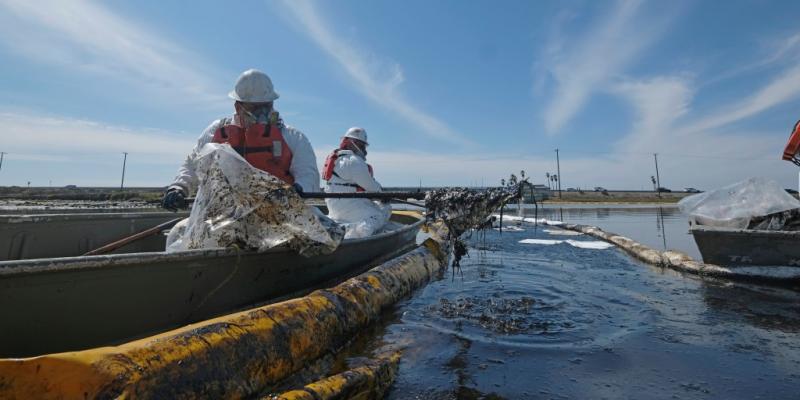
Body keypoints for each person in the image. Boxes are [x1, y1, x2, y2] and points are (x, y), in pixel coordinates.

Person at [162, 69, 319, 210]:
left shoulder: (292, 137)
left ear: (272, 104)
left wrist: (297, 190)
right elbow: (194, 163)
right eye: (254, 107)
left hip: (277, 214)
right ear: (238, 106)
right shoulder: (216, 131)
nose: (262, 113)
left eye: (266, 106)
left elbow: (308, 173)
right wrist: (178, 187)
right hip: (224, 216)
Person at [322, 127, 391, 238]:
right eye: (361, 145)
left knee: (372, 206)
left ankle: (343, 228)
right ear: (351, 143)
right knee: (382, 211)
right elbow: (372, 187)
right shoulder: (354, 161)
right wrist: (384, 195)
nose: (363, 149)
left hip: (335, 208)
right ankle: (358, 234)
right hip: (350, 208)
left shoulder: (335, 160)